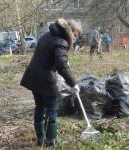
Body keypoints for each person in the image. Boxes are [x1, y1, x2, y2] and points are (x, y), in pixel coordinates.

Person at [20, 18, 82, 146]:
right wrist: (74, 83)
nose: (74, 38)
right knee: (52, 109)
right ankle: (51, 140)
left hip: (33, 77)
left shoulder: (47, 35)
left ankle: (41, 138)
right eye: (75, 35)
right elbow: (62, 67)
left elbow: (47, 55)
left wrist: (58, 61)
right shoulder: (61, 42)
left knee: (39, 108)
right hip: (45, 79)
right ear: (70, 31)